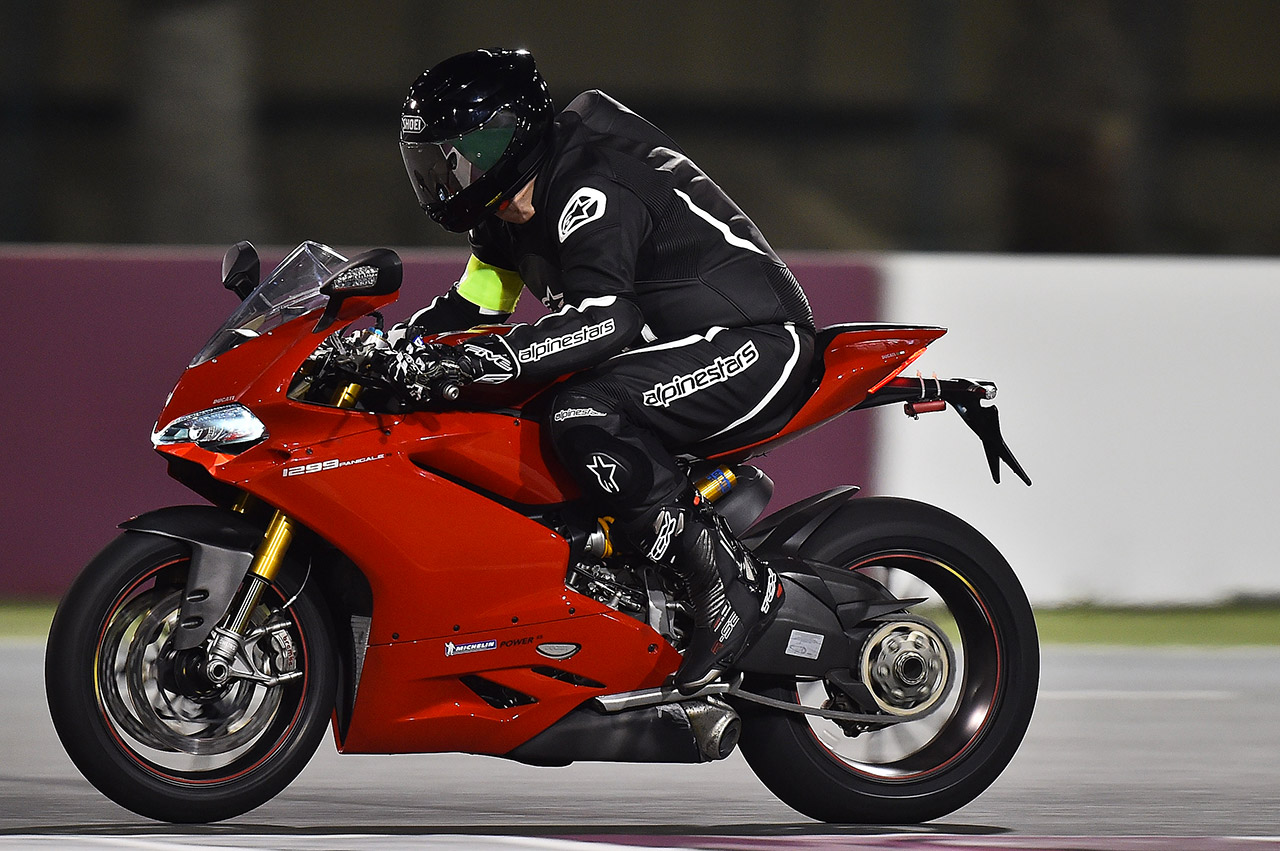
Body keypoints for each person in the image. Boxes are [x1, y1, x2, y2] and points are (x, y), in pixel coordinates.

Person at [389, 48, 815, 693]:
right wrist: (383, 348)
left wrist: (485, 359)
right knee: (517, 416)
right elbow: (473, 307)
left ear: (507, 137)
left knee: (582, 411)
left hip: (754, 341)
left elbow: (606, 321)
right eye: (432, 163)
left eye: (457, 156)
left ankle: (726, 587)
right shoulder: (502, 212)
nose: (447, 177)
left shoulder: (590, 185)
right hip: (673, 349)